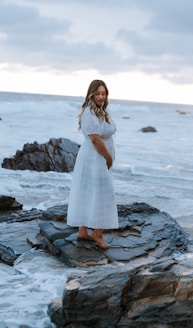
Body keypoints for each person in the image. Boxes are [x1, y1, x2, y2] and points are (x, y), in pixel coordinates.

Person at [67, 79, 118, 249]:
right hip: (94, 157)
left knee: (90, 191)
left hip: (98, 157)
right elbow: (95, 139)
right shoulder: (89, 112)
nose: (101, 96)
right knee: (103, 192)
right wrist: (108, 157)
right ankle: (97, 234)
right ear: (91, 94)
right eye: (97, 93)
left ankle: (83, 231)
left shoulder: (103, 111)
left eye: (104, 93)